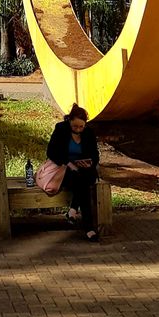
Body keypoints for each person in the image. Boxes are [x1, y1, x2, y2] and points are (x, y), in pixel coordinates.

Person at [47, 102, 100, 241]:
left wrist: (89, 162)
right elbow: (51, 152)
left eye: (81, 126)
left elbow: (95, 155)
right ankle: (88, 228)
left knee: (84, 179)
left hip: (83, 171)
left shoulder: (89, 133)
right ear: (69, 121)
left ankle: (73, 209)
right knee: (83, 186)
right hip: (63, 168)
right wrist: (69, 164)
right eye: (75, 126)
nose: (78, 129)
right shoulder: (60, 129)